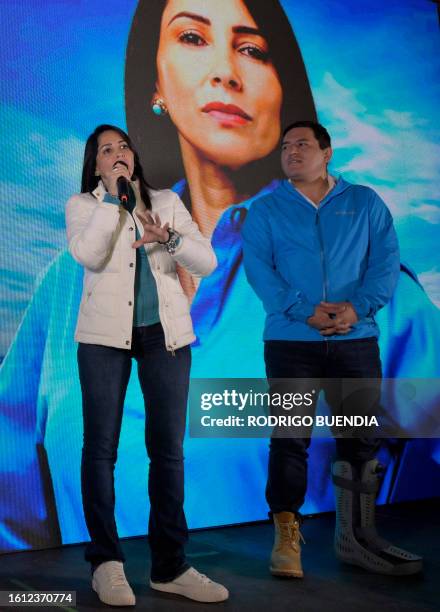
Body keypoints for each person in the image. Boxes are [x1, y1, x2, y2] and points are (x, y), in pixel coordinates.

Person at [242, 120, 424, 578]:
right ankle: (286, 538)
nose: (292, 152)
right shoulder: (265, 210)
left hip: (355, 341)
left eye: (302, 144)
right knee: (290, 440)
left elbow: (385, 262)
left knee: (359, 439)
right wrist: (304, 311)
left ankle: (357, 537)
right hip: (291, 344)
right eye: (286, 146)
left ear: (328, 153)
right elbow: (261, 271)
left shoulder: (364, 202)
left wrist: (355, 309)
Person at [65, 124, 228, 606]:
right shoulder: (83, 206)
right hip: (103, 339)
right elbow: (89, 256)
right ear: (95, 165)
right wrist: (116, 204)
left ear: (135, 155)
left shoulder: (167, 200)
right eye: (105, 150)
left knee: (168, 451)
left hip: (166, 337)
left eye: (122, 146)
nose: (117, 154)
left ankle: (170, 566)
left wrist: (170, 238)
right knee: (100, 450)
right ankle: (107, 564)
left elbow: (207, 262)